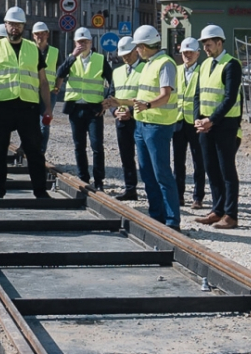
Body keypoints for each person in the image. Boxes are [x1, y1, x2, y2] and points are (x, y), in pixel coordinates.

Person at [0, 7, 52, 199]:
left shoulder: (32, 49)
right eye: (11, 24)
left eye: (18, 25)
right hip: (2, 106)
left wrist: (48, 107)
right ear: (5, 25)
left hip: (28, 107)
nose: (14, 28)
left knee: (34, 150)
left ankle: (40, 191)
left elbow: (43, 81)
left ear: (23, 27)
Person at [120, 25, 180, 228]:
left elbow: (165, 95)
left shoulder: (165, 64)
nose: (136, 50)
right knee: (147, 172)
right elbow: (144, 94)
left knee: (162, 173)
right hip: (143, 124)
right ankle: (157, 216)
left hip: (158, 125)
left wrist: (147, 105)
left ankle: (172, 221)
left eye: (137, 47)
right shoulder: (148, 64)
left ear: (144, 47)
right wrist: (122, 103)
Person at [195, 25, 243, 229]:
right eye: (204, 45)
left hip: (225, 124)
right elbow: (198, 94)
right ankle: (217, 209)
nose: (206, 48)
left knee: (227, 170)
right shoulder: (205, 65)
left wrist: (212, 119)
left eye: (208, 44)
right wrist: (197, 118)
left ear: (219, 43)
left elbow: (230, 97)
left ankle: (231, 214)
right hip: (206, 125)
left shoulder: (231, 64)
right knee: (211, 168)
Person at [53, 27, 112, 190]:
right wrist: (72, 56)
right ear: (74, 43)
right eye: (79, 42)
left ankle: (99, 181)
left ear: (90, 43)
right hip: (75, 108)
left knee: (97, 146)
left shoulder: (99, 59)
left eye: (85, 42)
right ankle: (83, 177)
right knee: (79, 145)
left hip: (94, 108)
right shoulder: (71, 59)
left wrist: (108, 99)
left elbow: (112, 79)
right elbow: (60, 73)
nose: (82, 45)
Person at [171, 38, 206, 211]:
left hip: (195, 122)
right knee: (178, 161)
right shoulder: (176, 71)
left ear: (198, 54)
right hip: (178, 121)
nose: (188, 55)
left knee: (199, 161)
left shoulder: (202, 71)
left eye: (191, 52)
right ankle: (178, 195)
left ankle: (198, 197)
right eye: (185, 53)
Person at [108, 37, 142, 200]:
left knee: (145, 158)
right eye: (123, 55)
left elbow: (148, 95)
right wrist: (114, 111)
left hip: (141, 119)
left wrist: (131, 111)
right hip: (121, 120)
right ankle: (130, 189)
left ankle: (152, 189)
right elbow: (111, 95)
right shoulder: (117, 71)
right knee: (126, 157)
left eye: (128, 54)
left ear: (136, 50)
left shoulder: (145, 69)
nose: (126, 58)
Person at [32, 21, 61, 160]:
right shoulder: (28, 50)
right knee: (29, 121)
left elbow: (61, 72)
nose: (40, 36)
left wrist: (57, 88)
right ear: (33, 36)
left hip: (49, 93)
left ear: (47, 35)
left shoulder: (55, 52)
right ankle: (27, 147)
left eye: (43, 33)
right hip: (30, 91)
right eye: (37, 34)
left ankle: (41, 151)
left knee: (45, 122)